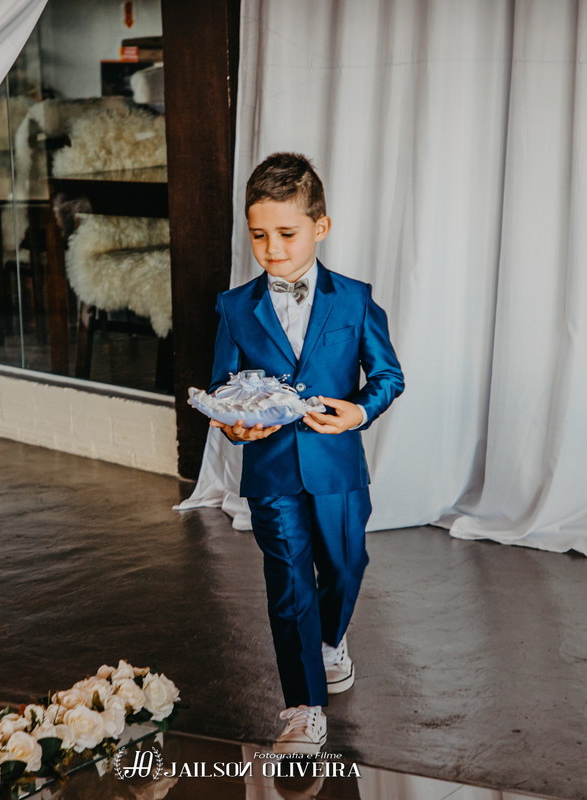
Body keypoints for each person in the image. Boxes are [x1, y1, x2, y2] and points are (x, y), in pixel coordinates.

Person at [208, 152, 404, 754]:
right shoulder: (234, 307)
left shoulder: (354, 300)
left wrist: (359, 412)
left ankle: (331, 639)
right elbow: (222, 388)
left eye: (286, 234)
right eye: (258, 235)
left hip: (337, 467)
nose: (271, 249)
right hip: (270, 472)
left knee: (345, 566)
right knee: (289, 585)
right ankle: (303, 708)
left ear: (321, 227)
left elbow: (388, 375)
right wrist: (235, 426)